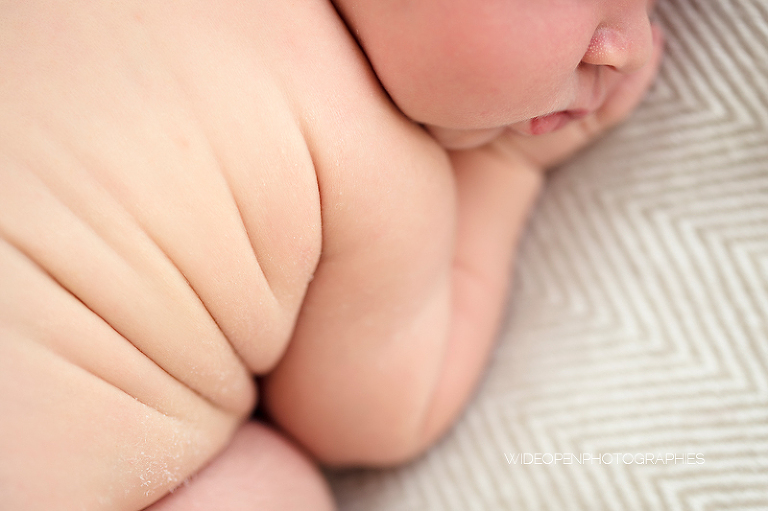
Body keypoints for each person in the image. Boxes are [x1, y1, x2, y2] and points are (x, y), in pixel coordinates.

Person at [0, 0, 663, 509]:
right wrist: (507, 169)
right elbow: (378, 418)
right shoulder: (370, 159)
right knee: (269, 481)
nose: (630, 46)